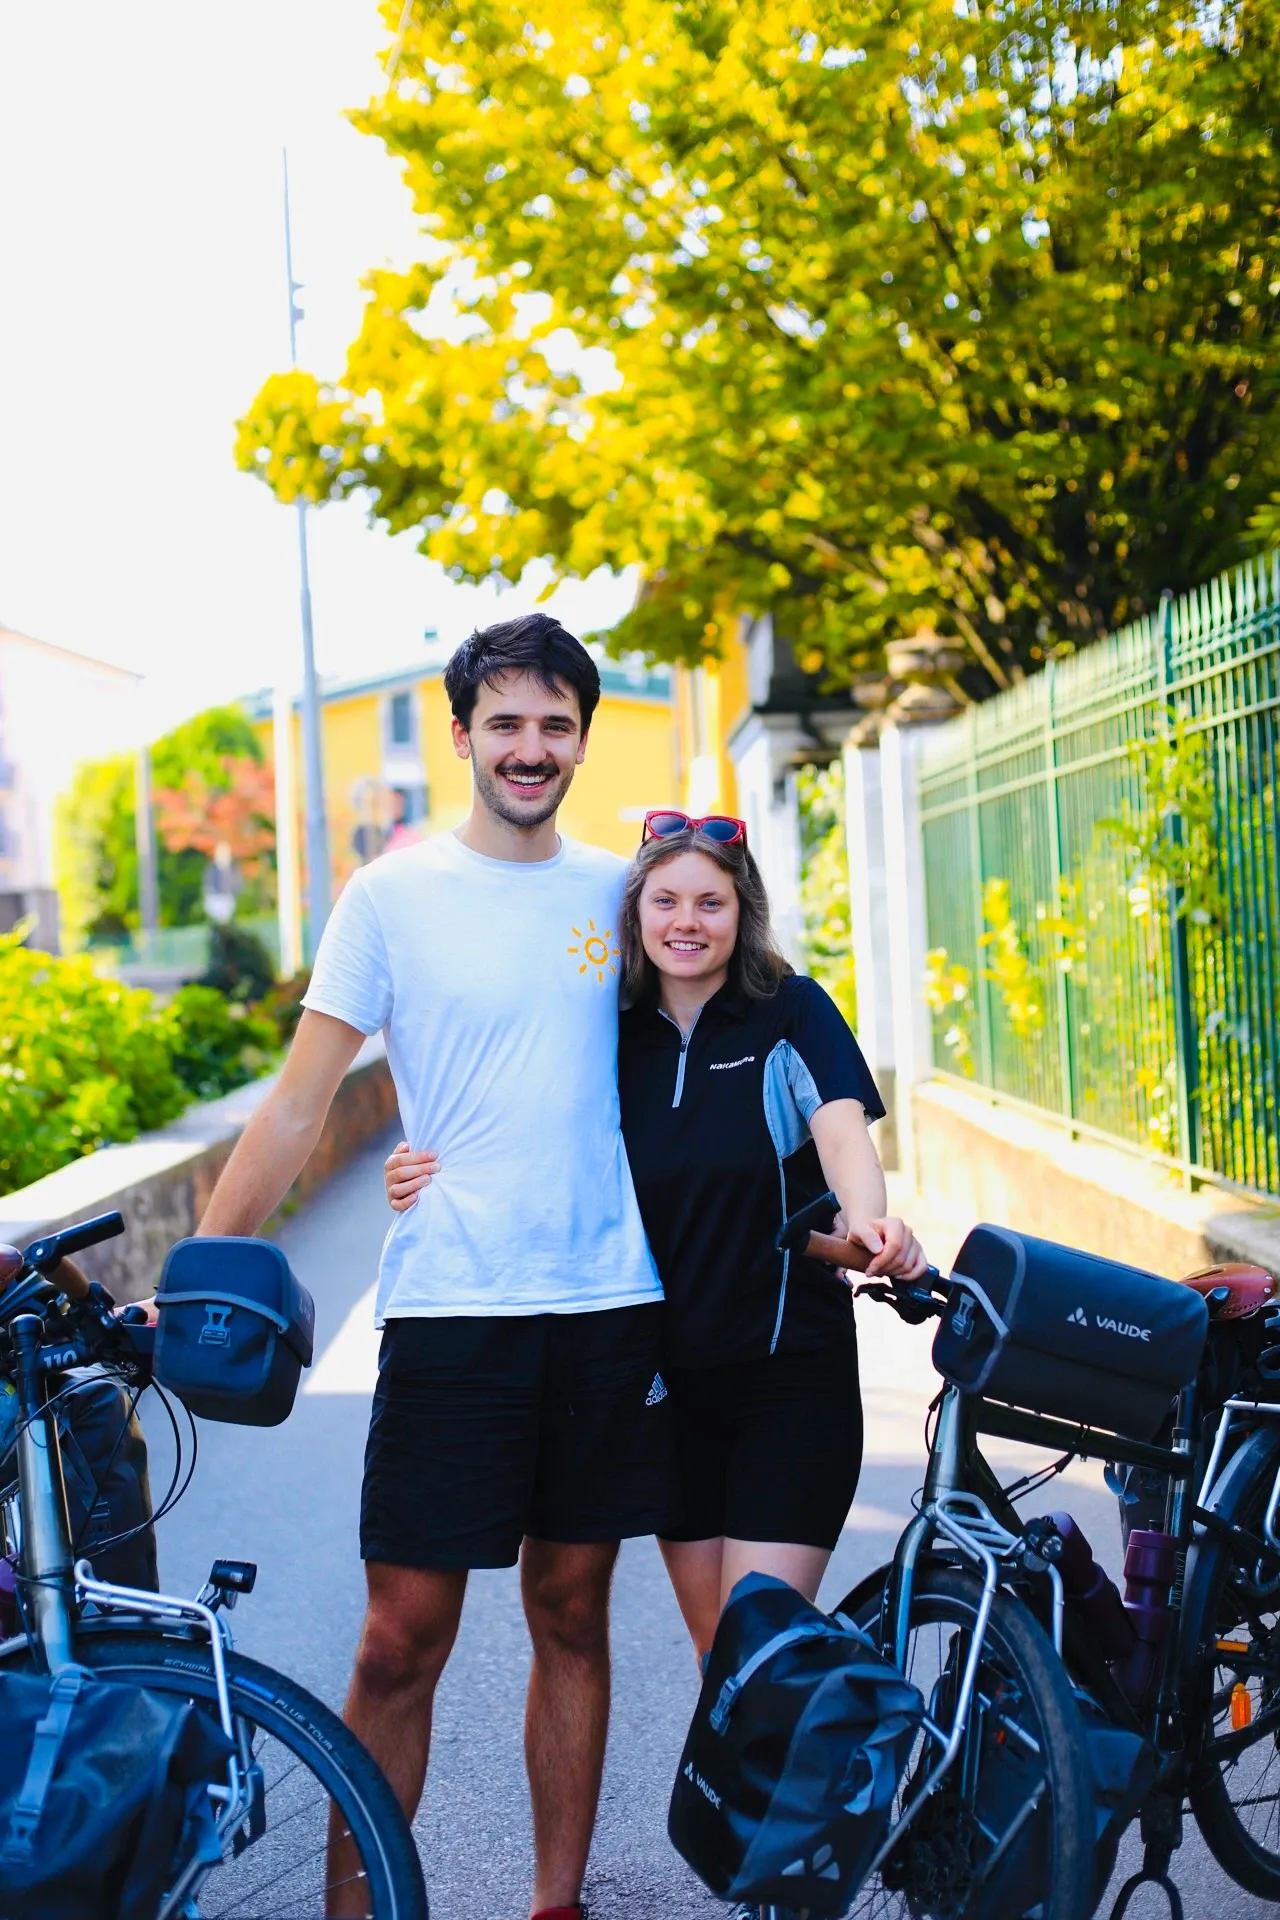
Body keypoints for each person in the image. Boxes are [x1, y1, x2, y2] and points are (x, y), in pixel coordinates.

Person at [196, 612, 677, 1920]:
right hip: (454, 1308)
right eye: (505, 723)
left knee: (572, 1614)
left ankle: (556, 1901)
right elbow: (298, 1105)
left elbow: (715, 1054)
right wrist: (201, 1271)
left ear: (581, 740)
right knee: (400, 1638)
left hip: (606, 1304)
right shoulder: (389, 898)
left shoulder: (622, 893)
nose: (531, 748)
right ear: (461, 736)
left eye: (555, 725)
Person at [388, 813, 925, 1658]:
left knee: (764, 1648)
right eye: (665, 901)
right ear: (635, 912)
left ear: (743, 912)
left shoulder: (789, 1011)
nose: (687, 922)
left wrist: (869, 1220)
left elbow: (841, 1129)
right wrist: (425, 1164)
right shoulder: (611, 1028)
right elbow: (519, 1108)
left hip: (787, 1378)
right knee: (722, 1661)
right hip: (667, 1390)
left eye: (711, 903)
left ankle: (844, 1738)